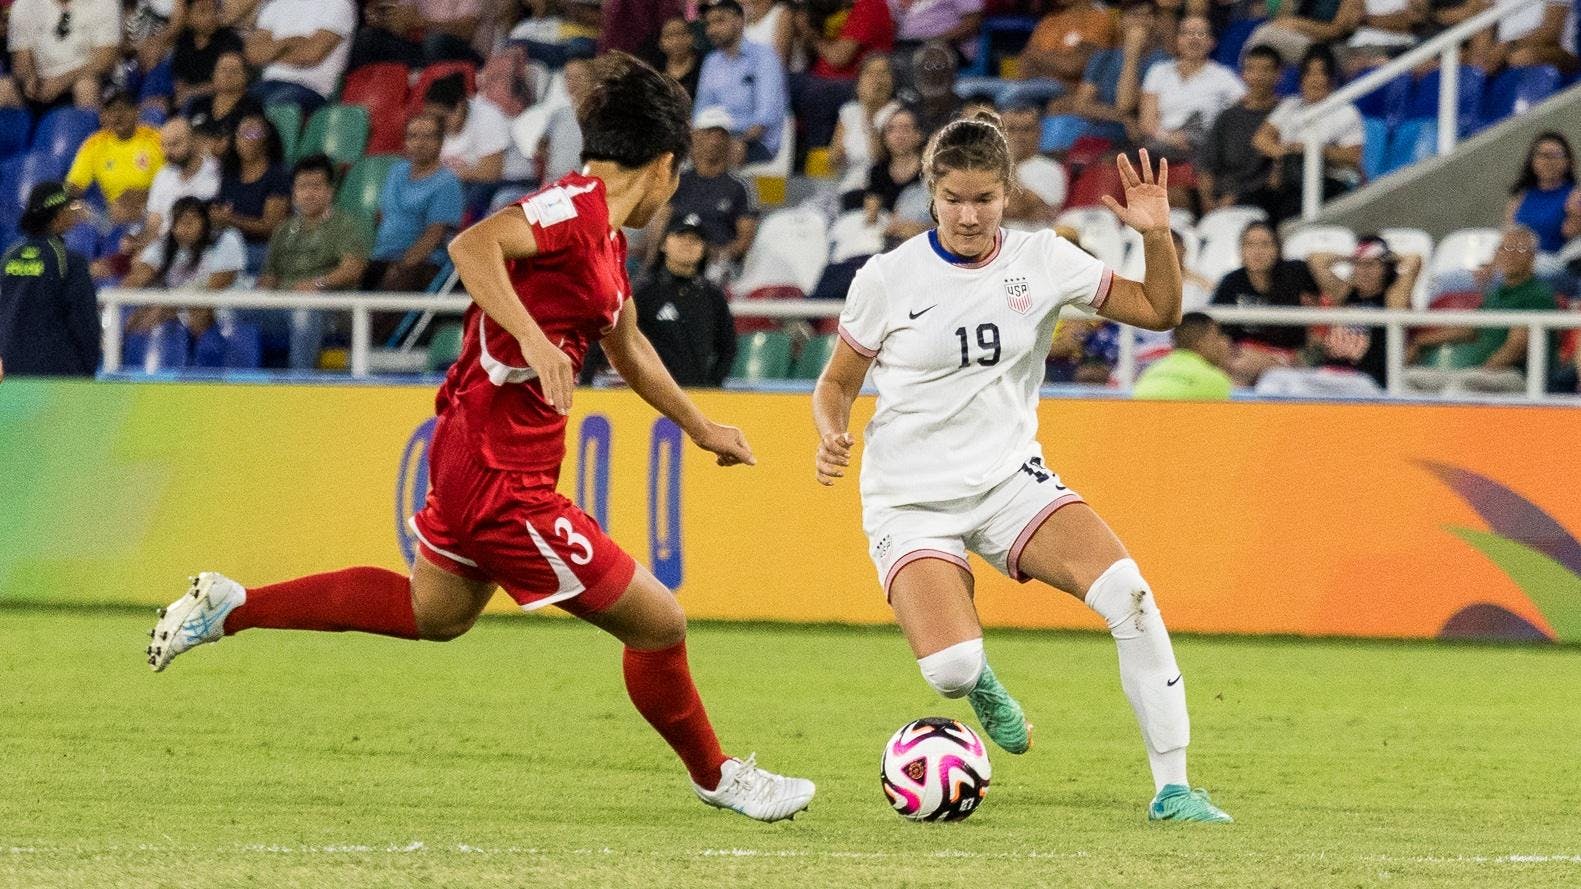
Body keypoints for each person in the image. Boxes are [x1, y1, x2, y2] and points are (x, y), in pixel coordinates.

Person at [147, 52, 816, 823]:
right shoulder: (572, 208)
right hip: (502, 476)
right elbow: (472, 247)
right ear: (663, 166)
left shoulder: (605, 239)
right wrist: (531, 336)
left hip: (477, 452)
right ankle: (719, 773)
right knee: (658, 621)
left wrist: (700, 425)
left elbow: (626, 343)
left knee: (438, 612)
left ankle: (234, 605)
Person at [811, 114, 1233, 823]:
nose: (968, 214)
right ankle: (978, 678)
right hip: (910, 500)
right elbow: (835, 383)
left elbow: (1159, 310)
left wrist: (1155, 235)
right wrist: (831, 431)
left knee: (1129, 595)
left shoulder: (1043, 260)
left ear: (1007, 192)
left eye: (984, 198)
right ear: (930, 193)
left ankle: (1174, 789)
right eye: (952, 199)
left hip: (1010, 482)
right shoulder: (886, 278)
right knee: (947, 671)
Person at [1405, 225, 1557, 394]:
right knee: (1407, 379)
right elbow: (1472, 329)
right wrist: (1420, 342)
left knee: (1461, 388)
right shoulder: (1497, 293)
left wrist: (1482, 369)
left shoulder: (1536, 295)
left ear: (1532, 256)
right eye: (1505, 248)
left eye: (1520, 249)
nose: (1511, 254)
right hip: (1480, 373)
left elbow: (1516, 348)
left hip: (1517, 376)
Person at [255, 153, 370, 369]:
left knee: (304, 313)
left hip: (328, 307)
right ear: (294, 194)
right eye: (302, 187)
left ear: (330, 192)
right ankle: (242, 385)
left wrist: (317, 284)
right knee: (235, 310)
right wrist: (262, 290)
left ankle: (298, 386)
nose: (308, 194)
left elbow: (353, 269)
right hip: (282, 304)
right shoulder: (284, 229)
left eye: (316, 187)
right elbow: (269, 276)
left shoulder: (344, 225)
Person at [1249, 46, 1364, 223]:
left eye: (1321, 73)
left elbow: (1353, 156)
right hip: (1289, 178)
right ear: (1301, 78)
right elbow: (1261, 139)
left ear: (1331, 78)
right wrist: (1288, 152)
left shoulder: (1345, 110)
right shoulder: (1290, 106)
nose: (1315, 79)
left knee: (1293, 200)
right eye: (1309, 73)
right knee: (1251, 201)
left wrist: (1312, 149)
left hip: (1330, 180)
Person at [0, 183, 100, 377]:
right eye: (70, 208)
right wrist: (87, 370)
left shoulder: (10, 256)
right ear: (59, 216)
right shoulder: (68, 261)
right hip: (57, 375)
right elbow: (84, 322)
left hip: (10, 370)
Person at [631, 213, 738, 386]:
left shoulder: (712, 296)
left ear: (704, 249)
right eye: (680, 235)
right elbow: (614, 340)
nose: (688, 243)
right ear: (664, 243)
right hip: (646, 397)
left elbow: (727, 348)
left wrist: (712, 385)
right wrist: (587, 383)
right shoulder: (643, 292)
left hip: (695, 396)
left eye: (696, 239)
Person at [647, 107, 758, 273]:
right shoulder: (676, 180)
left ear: (729, 141)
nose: (715, 140)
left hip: (717, 264)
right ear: (695, 136)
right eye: (709, 133)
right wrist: (651, 263)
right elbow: (660, 223)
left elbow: (745, 238)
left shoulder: (740, 186)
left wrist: (717, 255)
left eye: (721, 135)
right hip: (673, 260)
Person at [121, 196, 246, 342]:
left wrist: (167, 307)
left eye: (190, 221)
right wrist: (121, 305)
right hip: (177, 308)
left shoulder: (226, 239)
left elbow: (217, 285)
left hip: (224, 310)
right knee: (134, 315)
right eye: (178, 222)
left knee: (200, 313)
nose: (183, 227)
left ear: (205, 222)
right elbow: (138, 276)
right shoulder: (166, 245)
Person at [1210, 220, 1320, 385]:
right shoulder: (1231, 282)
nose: (1257, 252)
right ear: (1241, 251)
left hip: (1288, 358)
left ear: (1277, 249)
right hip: (1241, 355)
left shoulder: (1295, 274)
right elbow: (1218, 330)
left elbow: (1323, 308)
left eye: (1265, 244)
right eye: (1250, 245)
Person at [365, 113, 464, 292]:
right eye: (413, 136)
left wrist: (401, 267)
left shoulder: (447, 182)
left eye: (428, 137)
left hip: (422, 264)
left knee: (381, 307)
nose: (420, 143)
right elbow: (381, 216)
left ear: (441, 141)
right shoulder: (396, 171)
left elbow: (433, 236)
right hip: (381, 257)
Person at [1306, 233, 1420, 386]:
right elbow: (1315, 260)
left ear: (1385, 268)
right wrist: (1352, 257)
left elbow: (1415, 260)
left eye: (1372, 265)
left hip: (1366, 380)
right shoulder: (1344, 293)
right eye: (1359, 264)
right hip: (1329, 373)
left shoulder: (1392, 299)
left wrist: (1385, 256)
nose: (1365, 271)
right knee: (1275, 381)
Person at [1137, 14, 1244, 162]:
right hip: (1160, 144)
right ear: (1177, 40)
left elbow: (1245, 109)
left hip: (1204, 148)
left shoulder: (1225, 77)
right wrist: (1170, 139)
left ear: (1212, 42)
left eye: (1200, 34)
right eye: (1186, 33)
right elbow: (1147, 122)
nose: (1193, 39)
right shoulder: (1158, 71)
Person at [693, 0, 788, 165]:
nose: (712, 30)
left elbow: (765, 117)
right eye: (709, 24)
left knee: (727, 153)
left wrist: (733, 141)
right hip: (717, 139)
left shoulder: (764, 57)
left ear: (739, 21)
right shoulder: (711, 61)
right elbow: (701, 111)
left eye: (720, 21)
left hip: (757, 142)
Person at [1196, 46, 1280, 211]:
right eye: (1251, 69)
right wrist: (1208, 203)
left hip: (1261, 201)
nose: (1258, 77)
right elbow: (1206, 166)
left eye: (1265, 70)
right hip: (1221, 201)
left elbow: (1275, 177)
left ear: (1278, 74)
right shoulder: (1227, 117)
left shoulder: (1285, 114)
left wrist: (1237, 197)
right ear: (1243, 74)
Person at [64, 88, 165, 225]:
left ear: (136, 111)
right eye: (112, 111)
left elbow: (171, 181)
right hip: (111, 215)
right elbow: (74, 186)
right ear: (104, 116)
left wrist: (144, 194)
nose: (118, 116)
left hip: (154, 208)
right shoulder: (94, 143)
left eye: (123, 109)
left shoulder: (155, 138)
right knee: (74, 210)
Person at [3, 0, 119, 112]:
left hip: (81, 79)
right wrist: (29, 78)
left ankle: (86, 129)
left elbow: (105, 60)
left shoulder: (104, 3)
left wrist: (62, 81)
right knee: (3, 89)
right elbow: (20, 59)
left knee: (85, 87)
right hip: (40, 83)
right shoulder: (24, 5)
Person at [245, 0, 356, 114]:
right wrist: (289, 42)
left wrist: (271, 53)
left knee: (271, 108)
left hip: (311, 89)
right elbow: (253, 55)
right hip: (267, 84)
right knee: (234, 105)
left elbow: (310, 56)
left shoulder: (338, 4)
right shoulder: (276, 5)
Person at [213, 113, 291, 275]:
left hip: (261, 248)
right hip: (227, 244)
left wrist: (231, 220)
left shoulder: (277, 176)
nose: (245, 139)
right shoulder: (229, 175)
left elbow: (272, 227)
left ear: (267, 140)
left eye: (253, 133)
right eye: (241, 133)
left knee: (220, 263)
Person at [830, 54, 899, 207]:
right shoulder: (849, 111)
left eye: (883, 73)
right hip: (847, 187)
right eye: (870, 73)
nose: (877, 79)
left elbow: (881, 159)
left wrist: (870, 112)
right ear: (859, 80)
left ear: (892, 80)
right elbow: (834, 159)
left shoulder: (897, 113)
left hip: (878, 191)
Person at [1506, 131, 1580, 258]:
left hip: (1555, 263)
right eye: (1543, 155)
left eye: (1556, 155)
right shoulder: (1522, 196)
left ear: (1568, 161)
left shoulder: (1575, 195)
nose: (1549, 161)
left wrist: (1575, 215)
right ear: (1532, 161)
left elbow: (1570, 235)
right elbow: (1507, 235)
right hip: (1519, 261)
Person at [1131, 311, 1233, 400]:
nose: (1223, 341)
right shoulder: (1214, 380)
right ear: (1202, 341)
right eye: (1218, 336)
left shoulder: (1150, 373)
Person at [1000, 103, 1066, 230]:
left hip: (1032, 243)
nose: (1018, 136)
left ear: (1039, 133)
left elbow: (1014, 208)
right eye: (1012, 129)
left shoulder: (1051, 169)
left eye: (1026, 129)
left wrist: (1009, 162)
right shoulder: (986, 167)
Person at [170, 0, 245, 106]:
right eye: (203, 11)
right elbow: (179, 74)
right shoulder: (184, 39)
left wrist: (191, 92)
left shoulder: (230, 41)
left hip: (215, 100)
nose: (211, 16)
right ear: (189, 17)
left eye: (214, 10)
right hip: (185, 96)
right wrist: (181, 91)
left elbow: (229, 81)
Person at [183, 50, 264, 138]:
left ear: (246, 76)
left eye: (234, 71)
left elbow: (254, 140)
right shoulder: (198, 104)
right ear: (213, 74)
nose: (227, 75)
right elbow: (183, 134)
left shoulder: (254, 107)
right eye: (222, 69)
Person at [658, 15, 702, 99]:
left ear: (692, 37)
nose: (676, 41)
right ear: (661, 43)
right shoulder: (656, 68)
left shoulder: (704, 65)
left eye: (681, 34)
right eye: (669, 36)